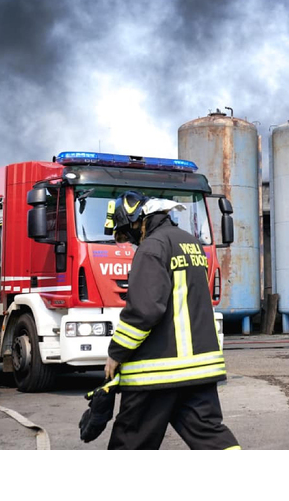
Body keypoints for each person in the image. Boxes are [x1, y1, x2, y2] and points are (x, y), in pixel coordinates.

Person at [102, 190, 240, 450]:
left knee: (130, 443)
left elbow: (144, 311)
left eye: (127, 233)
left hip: (156, 373)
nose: (130, 241)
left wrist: (116, 353)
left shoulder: (152, 248)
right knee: (211, 437)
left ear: (138, 221)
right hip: (199, 370)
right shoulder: (190, 243)